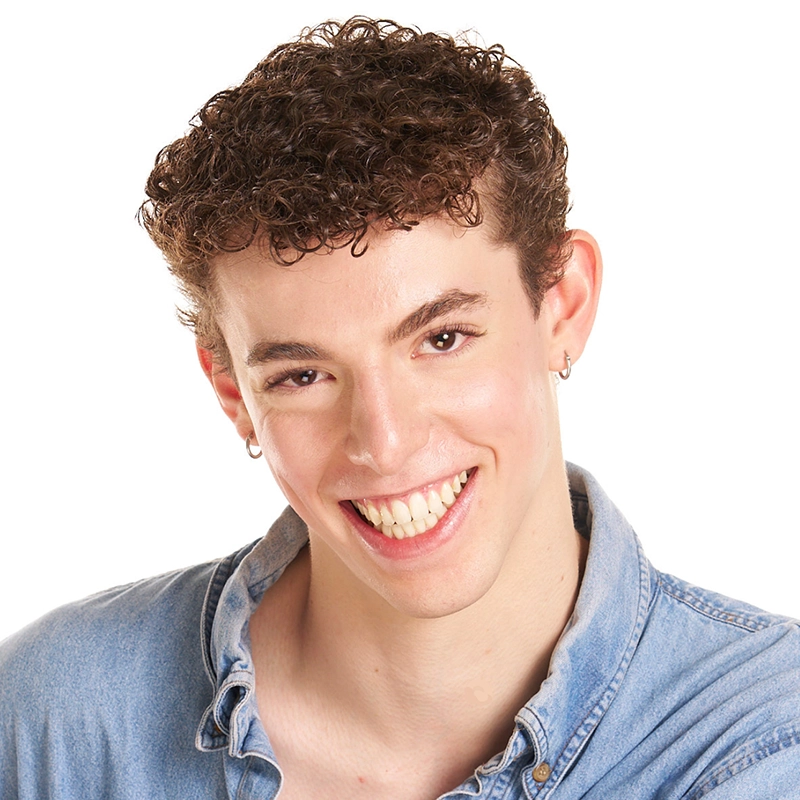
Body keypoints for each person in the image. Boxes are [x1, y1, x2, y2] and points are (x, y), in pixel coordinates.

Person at [1, 17, 798, 800]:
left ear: (563, 304)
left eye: (443, 339)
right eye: (303, 376)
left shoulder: (761, 744)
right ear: (233, 393)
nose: (384, 443)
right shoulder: (59, 725)